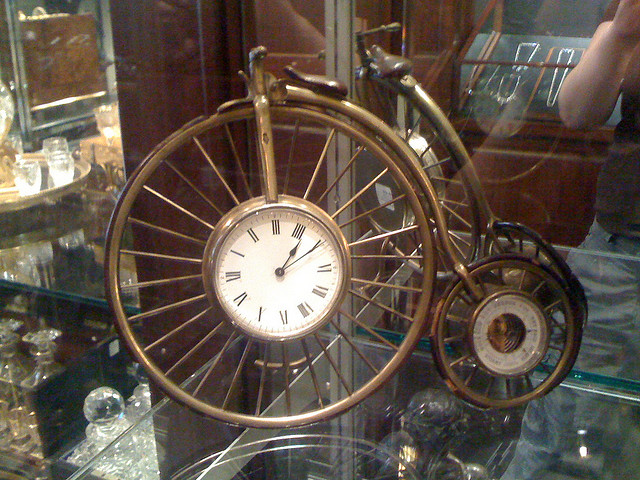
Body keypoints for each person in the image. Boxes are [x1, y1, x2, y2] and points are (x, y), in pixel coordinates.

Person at [501, 1, 640, 478]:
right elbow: (577, 111)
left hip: (620, 253)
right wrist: (622, 33)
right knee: (563, 426)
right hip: (622, 250)